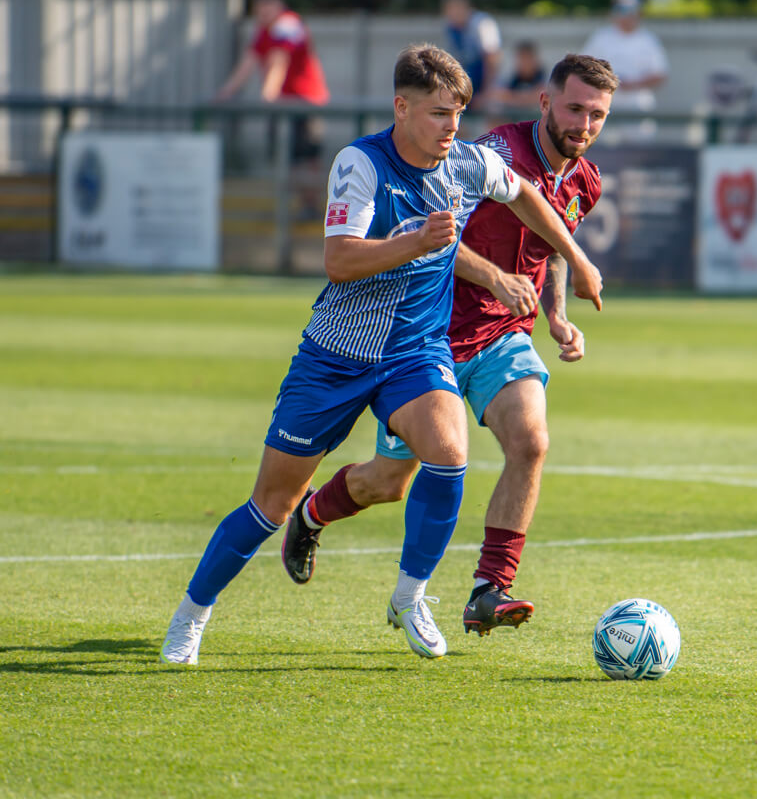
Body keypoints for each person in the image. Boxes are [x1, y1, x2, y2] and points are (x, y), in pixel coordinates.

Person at [160, 44, 604, 666]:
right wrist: (419, 240)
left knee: (450, 456)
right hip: (336, 356)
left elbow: (527, 195)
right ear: (401, 107)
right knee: (271, 505)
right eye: (438, 114)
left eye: (457, 113)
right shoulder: (360, 164)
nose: (452, 126)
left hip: (414, 353)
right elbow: (339, 261)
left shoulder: (467, 165)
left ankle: (409, 596)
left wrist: (578, 260)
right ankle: (191, 615)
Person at [279, 54, 618, 638]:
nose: (584, 125)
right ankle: (311, 513)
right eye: (574, 109)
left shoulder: (584, 181)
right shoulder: (495, 155)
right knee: (388, 482)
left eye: (598, 115)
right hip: (424, 334)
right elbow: (430, 235)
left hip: (500, 335)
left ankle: (490, 587)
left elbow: (551, 240)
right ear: (545, 102)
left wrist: (558, 315)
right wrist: (493, 277)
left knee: (531, 440)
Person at [215, 0, 330, 214]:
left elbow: (280, 60)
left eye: (268, 3)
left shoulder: (288, 24)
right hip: (283, 105)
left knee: (308, 157)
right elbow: (248, 61)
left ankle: (312, 206)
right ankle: (300, 207)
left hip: (305, 102)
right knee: (288, 158)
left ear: (279, 5)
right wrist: (226, 92)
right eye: (259, 4)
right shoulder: (263, 30)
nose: (262, 9)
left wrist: (268, 93)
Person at [581, 0, 667, 141]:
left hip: (637, 106)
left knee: (639, 150)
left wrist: (632, 84)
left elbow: (659, 74)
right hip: (604, 104)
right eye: (621, 11)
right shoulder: (601, 38)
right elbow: (584, 66)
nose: (627, 17)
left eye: (631, 12)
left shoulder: (648, 40)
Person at [442, 0, 502, 111]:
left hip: (485, 85)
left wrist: (486, 94)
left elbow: (492, 59)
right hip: (465, 85)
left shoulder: (482, 23)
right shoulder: (450, 27)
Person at [493, 40, 547, 115]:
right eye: (521, 58)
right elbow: (499, 95)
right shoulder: (512, 78)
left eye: (527, 58)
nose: (524, 63)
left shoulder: (545, 77)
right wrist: (525, 99)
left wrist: (514, 98)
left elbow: (544, 95)